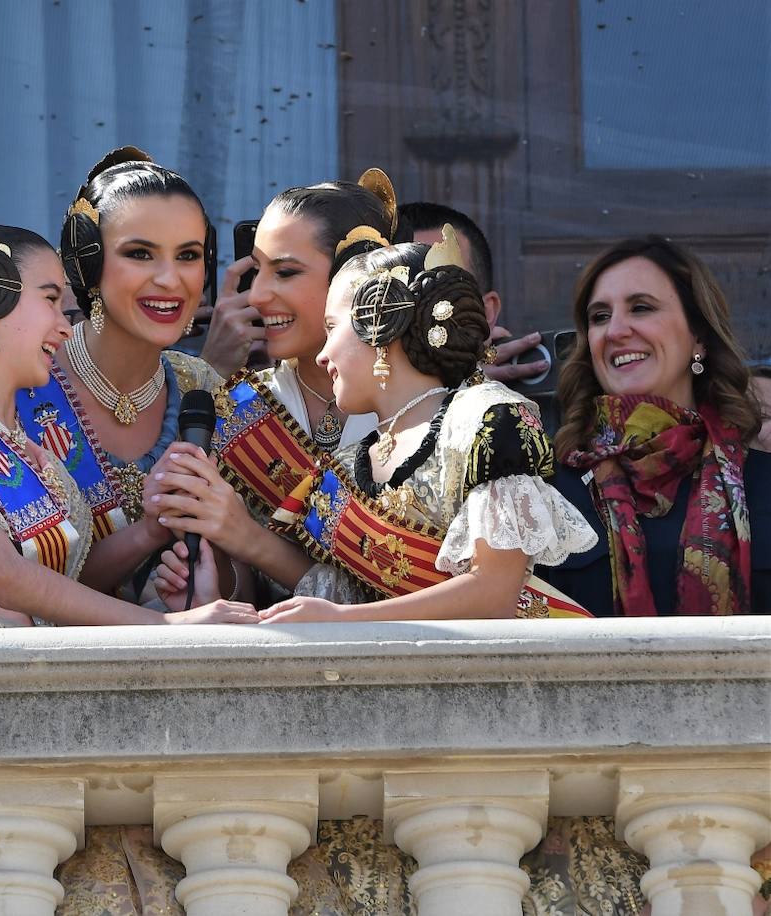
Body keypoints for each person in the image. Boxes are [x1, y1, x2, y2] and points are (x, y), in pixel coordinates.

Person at [156, 229, 596, 622]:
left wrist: (343, 622)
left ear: (379, 324)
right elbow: (347, 587)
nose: (323, 353)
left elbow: (494, 593)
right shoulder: (353, 460)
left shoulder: (487, 420)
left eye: (332, 329)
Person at [0, 220, 254, 629]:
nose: (66, 327)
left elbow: (66, 585)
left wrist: (150, 530)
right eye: (50, 300)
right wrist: (166, 628)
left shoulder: (32, 451)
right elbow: (8, 580)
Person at [150, 169, 398, 603]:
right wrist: (213, 582)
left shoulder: (432, 410)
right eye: (257, 271)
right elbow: (245, 590)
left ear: (357, 279)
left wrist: (249, 537)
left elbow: (430, 591)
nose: (259, 295)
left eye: (284, 273)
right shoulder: (236, 410)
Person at [16, 147, 223, 597]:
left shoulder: (206, 388)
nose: (171, 280)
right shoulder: (21, 384)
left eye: (188, 255)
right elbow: (14, 585)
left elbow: (241, 577)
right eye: (140, 254)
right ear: (86, 265)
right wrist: (148, 533)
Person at [540, 236, 771, 616]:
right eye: (599, 317)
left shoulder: (762, 482)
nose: (615, 331)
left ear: (698, 336)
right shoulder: (548, 492)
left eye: (641, 308)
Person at [395, 201, 550, 384]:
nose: (419, 308)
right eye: (399, 289)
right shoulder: (356, 405)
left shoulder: (506, 405)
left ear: (487, 313)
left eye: (443, 289)